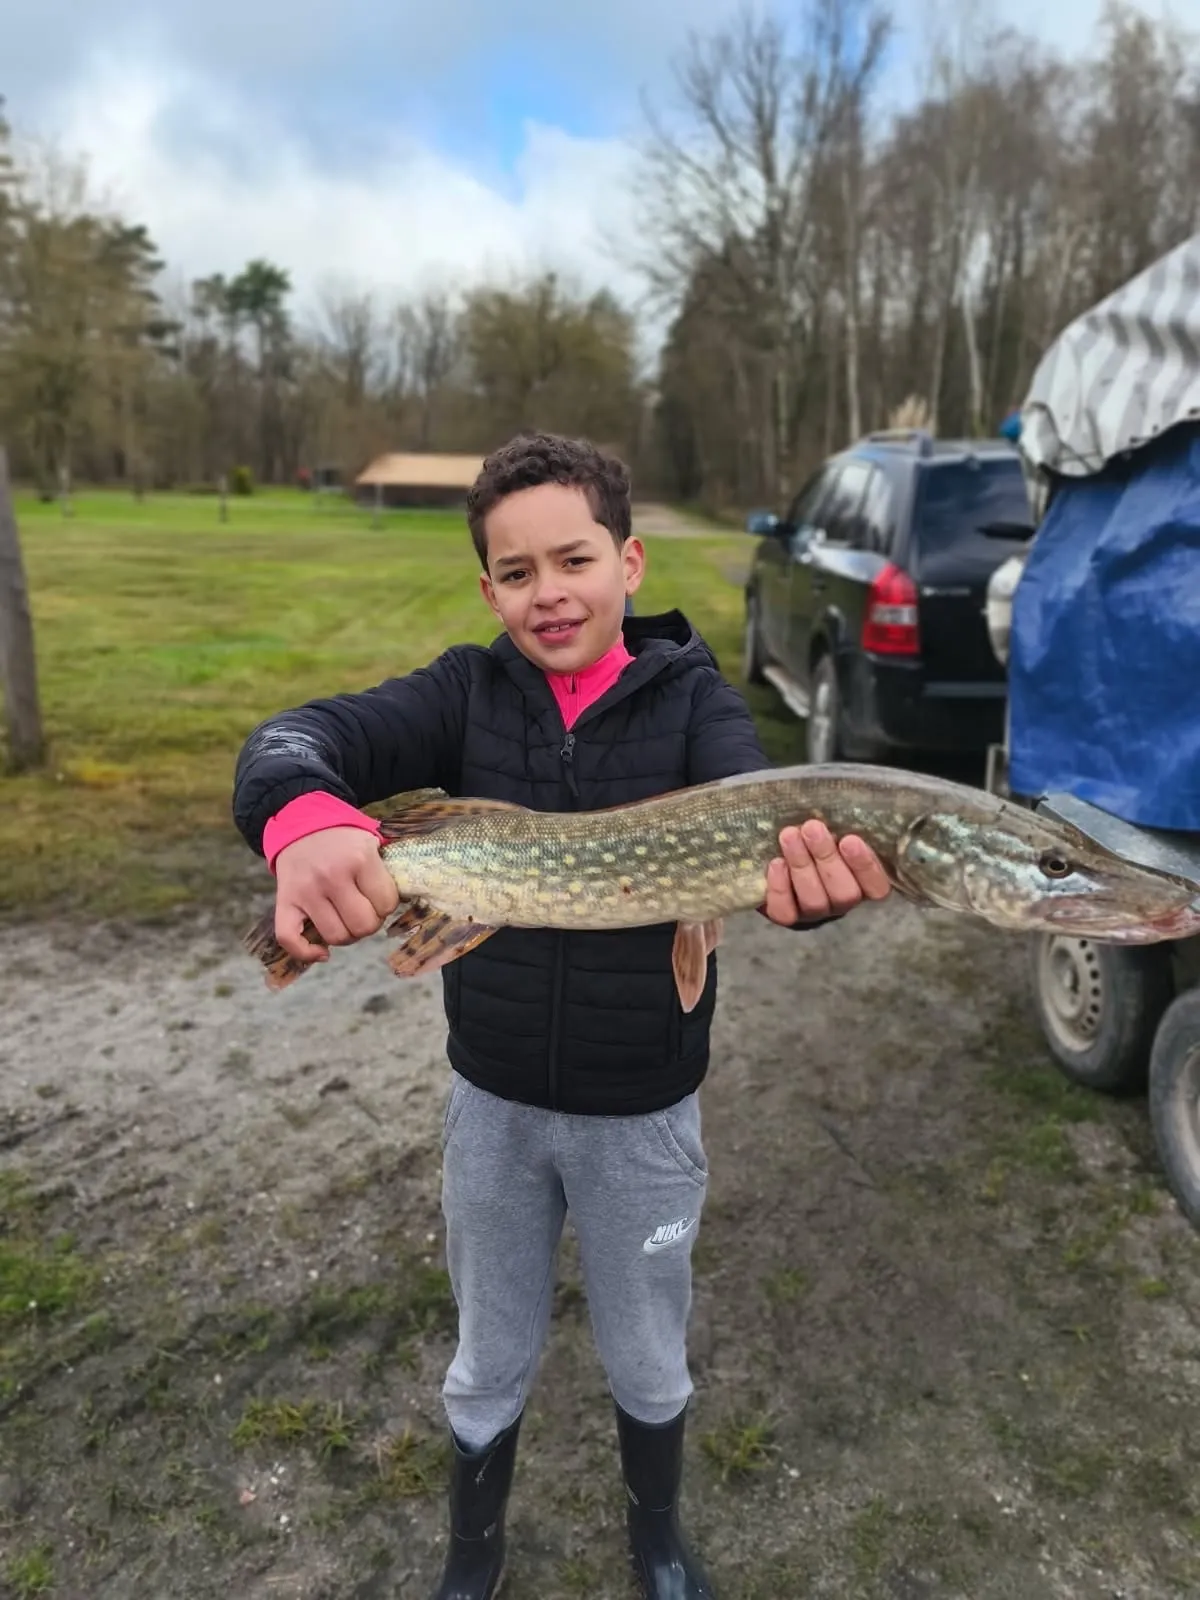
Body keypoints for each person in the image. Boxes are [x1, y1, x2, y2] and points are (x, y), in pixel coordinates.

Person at [230, 433, 891, 1600]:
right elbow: (295, 740)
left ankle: (660, 1535)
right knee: (489, 1348)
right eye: (518, 572)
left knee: (647, 1348)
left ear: (630, 562)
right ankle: (472, 1552)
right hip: (492, 1105)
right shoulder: (463, 693)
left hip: (643, 1111)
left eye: (574, 559)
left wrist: (812, 895)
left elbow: (780, 840)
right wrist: (301, 819)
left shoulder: (697, 706)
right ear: (490, 589)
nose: (550, 593)